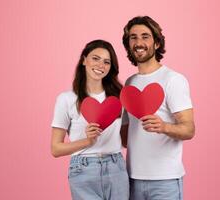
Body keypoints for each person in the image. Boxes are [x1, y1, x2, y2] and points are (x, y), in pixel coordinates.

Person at [121, 16, 195, 200]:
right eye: (133, 37)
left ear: (156, 43)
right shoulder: (129, 84)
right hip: (132, 179)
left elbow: (189, 129)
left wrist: (164, 127)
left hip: (165, 181)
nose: (139, 42)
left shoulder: (173, 79)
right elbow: (125, 138)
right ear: (128, 44)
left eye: (145, 36)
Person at [51, 40, 129, 200]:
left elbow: (126, 139)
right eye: (95, 58)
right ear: (84, 60)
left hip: (116, 167)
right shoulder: (66, 99)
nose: (101, 65)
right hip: (83, 170)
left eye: (107, 62)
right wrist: (87, 142)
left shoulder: (120, 97)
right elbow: (56, 149)